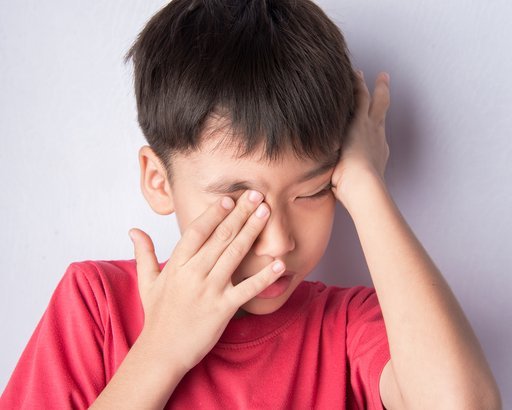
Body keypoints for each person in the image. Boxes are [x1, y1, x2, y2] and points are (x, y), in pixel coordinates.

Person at [1, 0, 501, 408]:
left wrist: (363, 181)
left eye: (312, 192)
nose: (279, 240)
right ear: (158, 180)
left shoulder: (350, 328)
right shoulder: (97, 307)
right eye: (239, 200)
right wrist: (160, 353)